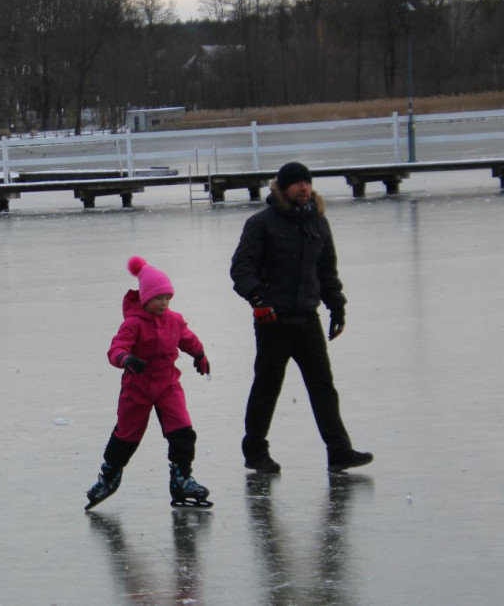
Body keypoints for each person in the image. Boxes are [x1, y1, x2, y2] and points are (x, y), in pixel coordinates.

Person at [230, 161, 373, 474]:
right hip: (273, 321)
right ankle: (255, 451)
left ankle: (339, 451)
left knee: (323, 386)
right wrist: (258, 299)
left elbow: (326, 271)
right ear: (282, 188)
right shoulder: (261, 224)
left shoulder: (318, 223)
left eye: (307, 183)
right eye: (296, 184)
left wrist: (337, 307)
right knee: (267, 387)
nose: (303, 188)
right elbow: (241, 269)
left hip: (307, 319)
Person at [86, 256, 213, 510]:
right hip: (138, 389)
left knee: (183, 432)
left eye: (167, 297)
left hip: (168, 385)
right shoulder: (133, 323)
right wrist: (125, 358)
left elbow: (187, 338)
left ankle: (181, 479)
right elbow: (116, 348)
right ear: (145, 298)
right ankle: (109, 477)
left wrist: (199, 354)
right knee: (126, 436)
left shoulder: (174, 319)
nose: (163, 302)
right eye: (158, 298)